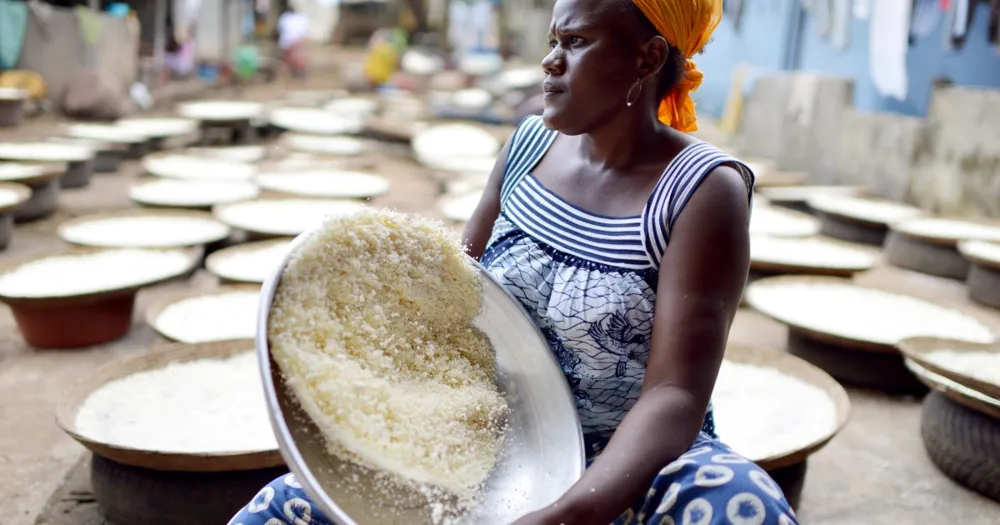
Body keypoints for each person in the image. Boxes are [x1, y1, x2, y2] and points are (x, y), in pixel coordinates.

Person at [230, 0, 801, 523]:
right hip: (500, 445)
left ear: (648, 57)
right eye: (553, 40)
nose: (551, 61)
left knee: (740, 503)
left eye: (576, 42)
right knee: (282, 508)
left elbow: (674, 395)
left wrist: (570, 511)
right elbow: (451, 297)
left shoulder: (702, 192)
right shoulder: (526, 148)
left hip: (631, 462)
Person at [277, 5, 309, 78]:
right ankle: (296, 71)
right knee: (293, 56)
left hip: (287, 41)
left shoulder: (285, 18)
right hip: (296, 40)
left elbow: (280, 29)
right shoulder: (301, 18)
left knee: (291, 57)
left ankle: (299, 70)